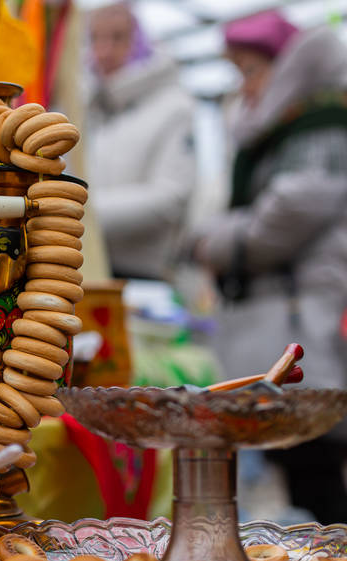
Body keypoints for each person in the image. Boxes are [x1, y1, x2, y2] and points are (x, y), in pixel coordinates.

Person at [188, 11, 347, 523]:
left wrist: (218, 240)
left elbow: (292, 211)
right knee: (297, 462)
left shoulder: (318, 123)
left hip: (303, 318)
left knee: (314, 462)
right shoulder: (280, 134)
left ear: (288, 70)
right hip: (285, 315)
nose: (246, 88)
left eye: (252, 71)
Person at [85, 3, 196, 282]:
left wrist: (80, 211)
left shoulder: (174, 107)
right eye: (95, 38)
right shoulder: (89, 105)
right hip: (85, 266)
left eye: (118, 37)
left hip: (143, 274)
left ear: (140, 40)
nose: (104, 51)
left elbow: (171, 198)